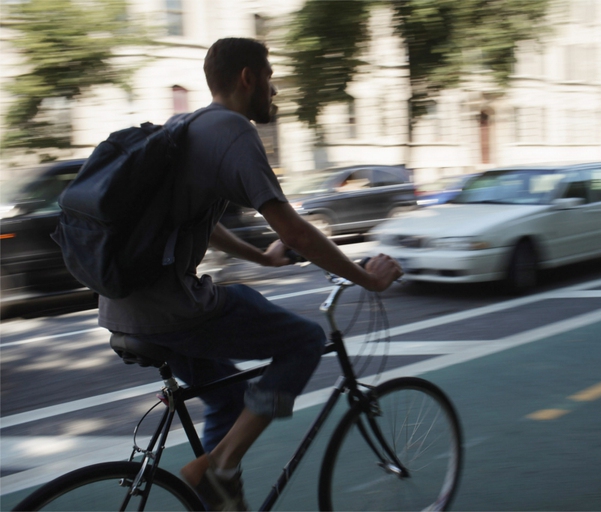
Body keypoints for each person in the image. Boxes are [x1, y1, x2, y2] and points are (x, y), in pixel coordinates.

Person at [97, 37, 402, 511]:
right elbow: (296, 231)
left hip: (122, 308)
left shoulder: (185, 125)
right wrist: (369, 278)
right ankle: (217, 467)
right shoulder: (233, 131)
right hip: (174, 310)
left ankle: (220, 494)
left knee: (229, 400)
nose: (275, 90)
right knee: (302, 342)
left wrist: (261, 258)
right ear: (248, 78)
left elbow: (203, 223)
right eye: (271, 78)